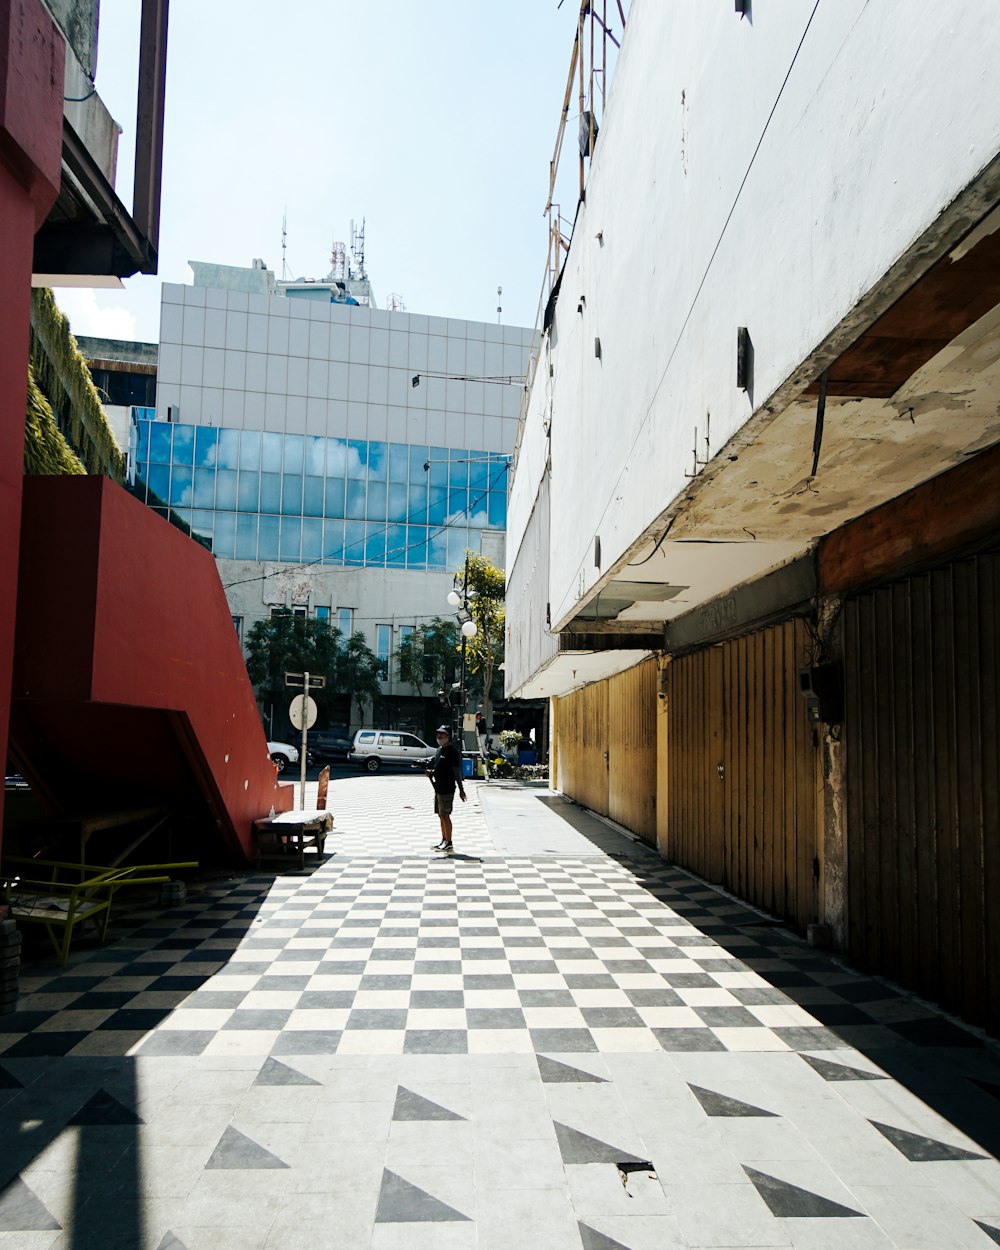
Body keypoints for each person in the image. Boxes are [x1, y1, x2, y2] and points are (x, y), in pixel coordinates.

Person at [428, 724, 467, 853]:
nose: (439, 736)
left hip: (447, 788)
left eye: (442, 734)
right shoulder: (439, 750)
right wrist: (431, 772)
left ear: (449, 736)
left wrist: (461, 789)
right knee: (440, 815)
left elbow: (456, 772)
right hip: (438, 787)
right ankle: (443, 840)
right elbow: (437, 766)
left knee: (445, 815)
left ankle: (449, 842)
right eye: (438, 733)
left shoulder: (452, 752)